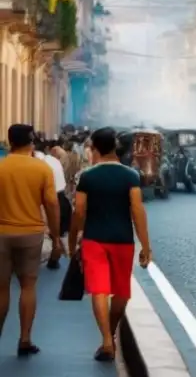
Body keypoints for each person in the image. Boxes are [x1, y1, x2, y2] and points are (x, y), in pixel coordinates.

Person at [69, 127, 152, 361]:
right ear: (115, 148)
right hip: (123, 240)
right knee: (122, 292)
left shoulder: (87, 176)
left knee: (98, 290)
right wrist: (146, 245)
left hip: (94, 239)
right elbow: (137, 210)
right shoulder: (130, 176)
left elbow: (80, 211)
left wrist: (73, 238)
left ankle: (106, 340)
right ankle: (111, 334)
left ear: (94, 149)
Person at [0, 124, 62, 355]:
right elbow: (52, 204)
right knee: (28, 286)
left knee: (1, 288)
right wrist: (56, 237)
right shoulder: (41, 169)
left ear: (9, 142)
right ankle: (25, 339)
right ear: (31, 142)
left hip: (1, 232)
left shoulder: (1, 167)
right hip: (31, 233)